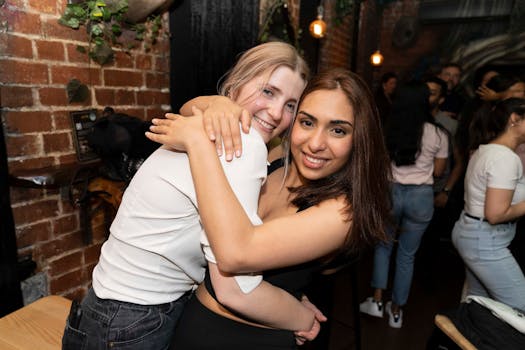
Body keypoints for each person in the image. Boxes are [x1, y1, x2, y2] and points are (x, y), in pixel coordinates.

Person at [61, 41, 320, 350]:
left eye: (291, 104)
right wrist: (302, 318)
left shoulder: (208, 127)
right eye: (268, 91)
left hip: (104, 310)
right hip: (134, 322)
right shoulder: (243, 142)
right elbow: (236, 287)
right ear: (235, 85)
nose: (277, 113)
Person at [146, 68, 392, 348]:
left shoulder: (342, 213)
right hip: (192, 322)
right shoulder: (275, 157)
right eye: (307, 122)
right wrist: (219, 105)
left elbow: (236, 254)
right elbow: (191, 111)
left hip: (252, 340)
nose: (315, 143)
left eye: (337, 130)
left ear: (360, 138)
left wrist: (197, 143)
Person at [360, 82, 449, 328]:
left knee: (383, 247)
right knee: (407, 256)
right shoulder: (438, 133)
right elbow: (440, 170)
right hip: (421, 196)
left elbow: (377, 163)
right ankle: (396, 312)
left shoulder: (387, 129)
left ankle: (377, 301)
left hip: (390, 192)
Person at [452, 98, 525, 312]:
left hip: (473, 233)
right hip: (484, 240)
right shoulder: (504, 158)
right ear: (515, 119)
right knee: (521, 306)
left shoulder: (487, 150)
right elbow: (495, 214)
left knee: (478, 304)